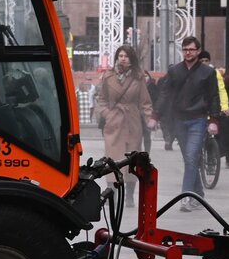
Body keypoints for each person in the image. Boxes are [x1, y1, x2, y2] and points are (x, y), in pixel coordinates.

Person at [160, 37, 221, 212]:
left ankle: (186, 197)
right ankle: (199, 194)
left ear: (198, 51)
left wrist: (214, 120)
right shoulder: (175, 71)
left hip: (198, 119)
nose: (188, 52)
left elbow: (213, 96)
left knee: (191, 157)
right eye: (185, 49)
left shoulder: (207, 73)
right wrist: (156, 115)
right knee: (190, 159)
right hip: (179, 119)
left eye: (192, 50)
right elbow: (165, 93)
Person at [92, 45, 154, 207]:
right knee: (112, 158)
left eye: (126, 56)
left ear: (131, 58)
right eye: (120, 56)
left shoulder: (138, 77)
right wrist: (106, 114)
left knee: (132, 160)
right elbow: (102, 99)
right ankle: (112, 192)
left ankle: (130, 196)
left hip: (132, 123)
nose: (123, 58)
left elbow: (145, 101)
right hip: (113, 123)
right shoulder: (108, 76)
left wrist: (149, 118)